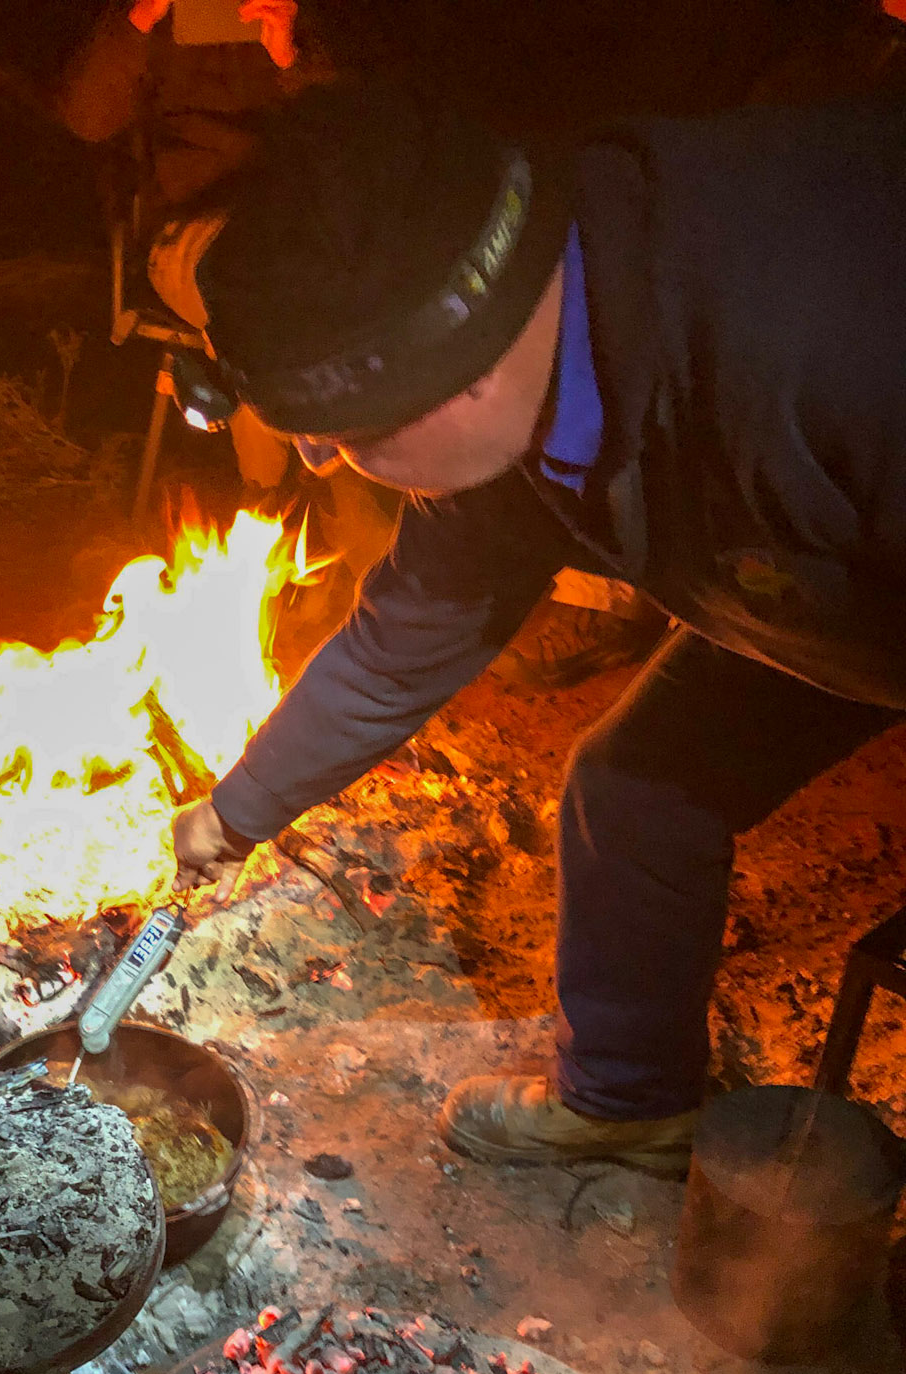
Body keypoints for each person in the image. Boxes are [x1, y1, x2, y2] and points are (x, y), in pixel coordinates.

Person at [169, 79, 906, 1176]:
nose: (337, 467)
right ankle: (629, 1102)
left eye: (339, 443)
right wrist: (238, 811)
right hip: (812, 582)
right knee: (636, 788)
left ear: (449, 385)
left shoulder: (834, 337)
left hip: (863, 543)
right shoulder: (521, 327)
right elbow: (402, 641)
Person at [58, 0, 321, 498]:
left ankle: (337, 503)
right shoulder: (148, 26)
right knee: (252, 304)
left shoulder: (286, 16)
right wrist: (139, 19)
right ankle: (274, 495)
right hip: (187, 231)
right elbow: (86, 117)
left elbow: (347, 128)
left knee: (329, 287)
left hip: (283, 226)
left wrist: (289, 58)